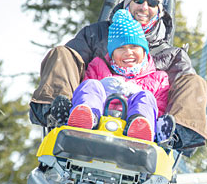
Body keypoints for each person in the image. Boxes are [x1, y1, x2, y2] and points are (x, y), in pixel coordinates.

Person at [30, 0, 207, 155]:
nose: (144, 7)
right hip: (94, 105)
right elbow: (78, 70)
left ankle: (171, 135)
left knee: (193, 82)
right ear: (127, 3)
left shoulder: (172, 56)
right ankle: (61, 115)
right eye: (138, 0)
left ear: (160, 10)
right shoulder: (97, 34)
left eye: (152, 3)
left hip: (145, 117)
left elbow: (172, 94)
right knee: (62, 55)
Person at [68, 9, 173, 142]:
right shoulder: (98, 66)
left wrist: (134, 93)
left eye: (134, 46)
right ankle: (85, 117)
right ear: (112, 54)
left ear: (144, 50)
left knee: (146, 97)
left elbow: (159, 107)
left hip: (131, 130)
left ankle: (140, 126)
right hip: (99, 122)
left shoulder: (158, 78)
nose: (128, 52)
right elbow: (85, 91)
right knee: (91, 85)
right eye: (121, 48)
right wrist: (105, 86)